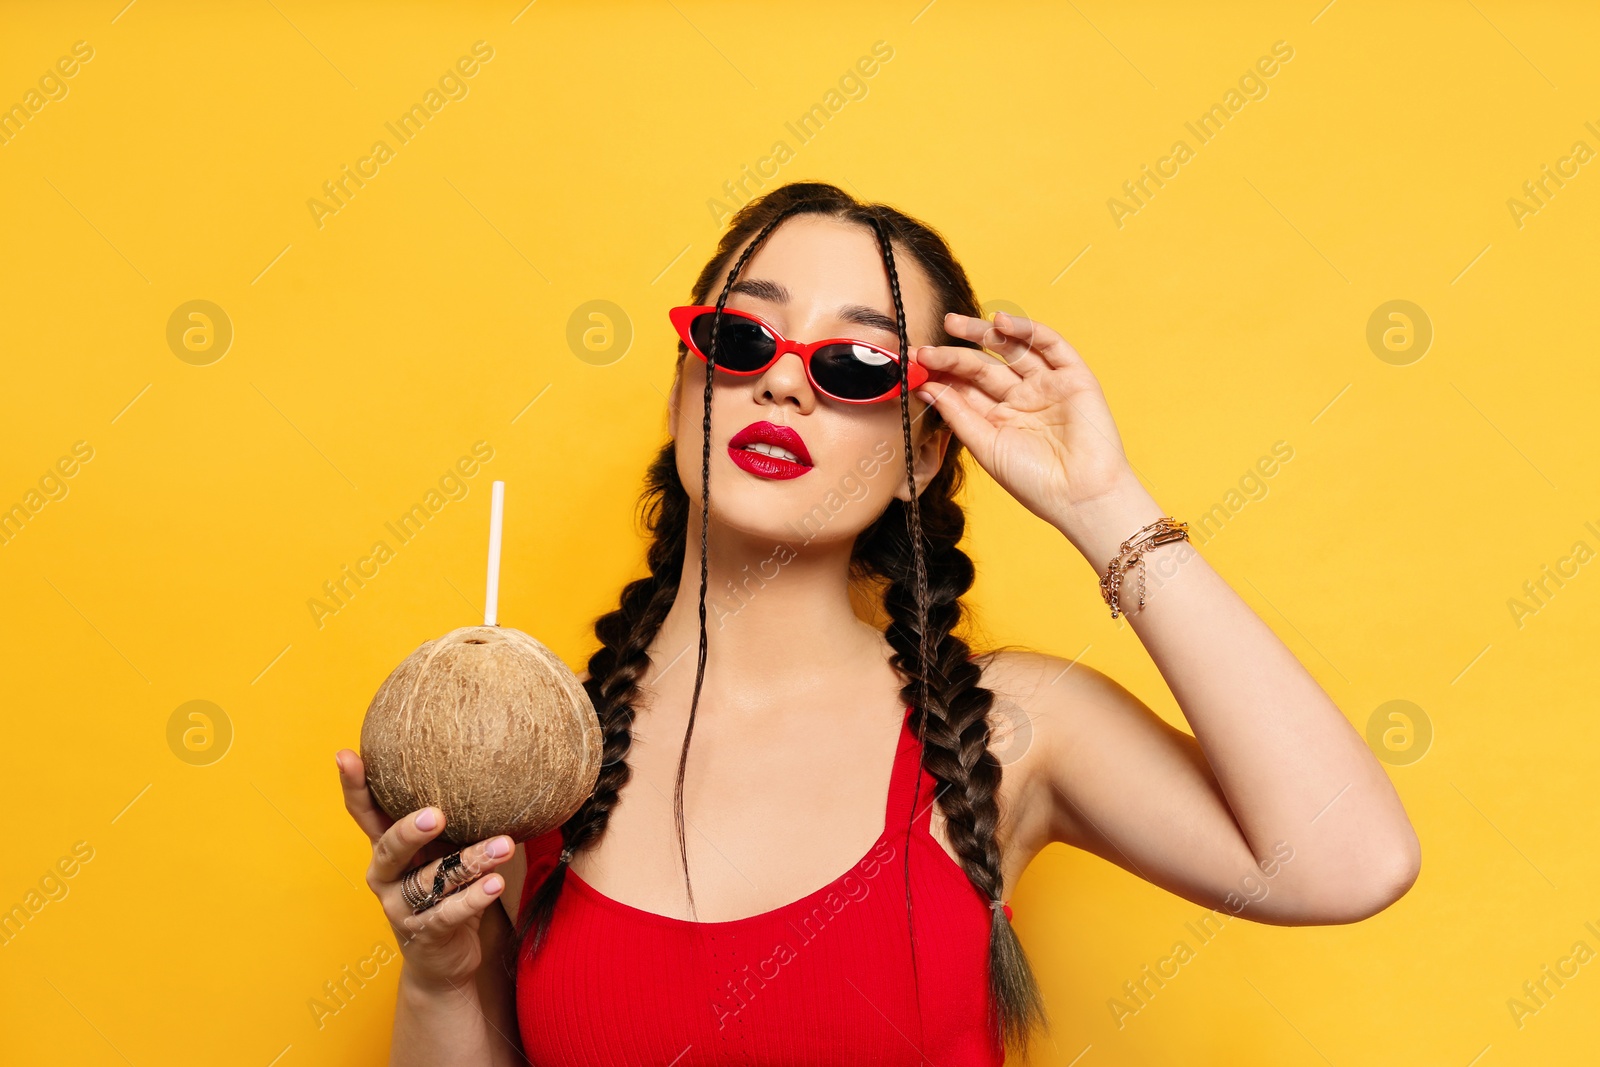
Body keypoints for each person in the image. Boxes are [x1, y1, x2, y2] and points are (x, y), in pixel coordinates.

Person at [336, 180, 1420, 1065]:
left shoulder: (1008, 726)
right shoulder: (538, 748)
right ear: (682, 390)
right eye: (742, 334)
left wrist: (1101, 504)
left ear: (927, 449)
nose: (786, 387)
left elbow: (1348, 858)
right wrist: (439, 971)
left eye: (855, 363)